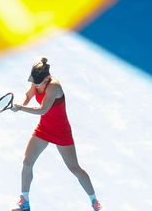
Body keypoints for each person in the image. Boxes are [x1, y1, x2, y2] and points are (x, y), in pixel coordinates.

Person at [10, 57, 102, 211]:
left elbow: (43, 110)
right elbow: (27, 96)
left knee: (74, 168)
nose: (35, 84)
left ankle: (94, 201)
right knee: (27, 163)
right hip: (44, 128)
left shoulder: (54, 87)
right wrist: (20, 103)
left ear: (47, 78)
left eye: (38, 82)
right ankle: (24, 202)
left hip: (61, 132)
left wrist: (20, 109)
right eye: (33, 81)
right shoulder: (36, 82)